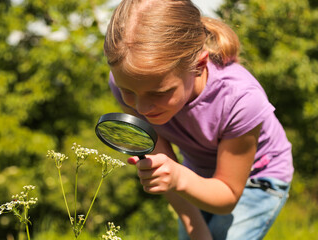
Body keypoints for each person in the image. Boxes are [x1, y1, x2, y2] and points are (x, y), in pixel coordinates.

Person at [103, 0, 294, 239]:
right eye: (128, 92)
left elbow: (226, 196)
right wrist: (195, 227)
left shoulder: (240, 99)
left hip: (256, 179)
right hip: (194, 173)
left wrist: (178, 177)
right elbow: (165, 166)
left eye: (160, 93)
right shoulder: (127, 83)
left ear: (199, 65)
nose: (142, 108)